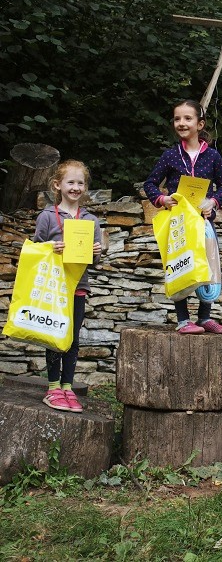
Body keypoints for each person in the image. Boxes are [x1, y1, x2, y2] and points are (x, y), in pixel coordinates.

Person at [144, 100, 222, 335]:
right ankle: (183, 320)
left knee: (207, 264)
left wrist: (213, 202)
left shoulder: (212, 156)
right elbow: (150, 183)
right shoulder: (170, 156)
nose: (181, 123)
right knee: (179, 265)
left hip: (203, 222)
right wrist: (162, 199)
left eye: (187, 118)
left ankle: (205, 317)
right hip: (179, 224)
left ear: (200, 124)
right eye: (177, 119)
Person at [35, 160, 103, 413]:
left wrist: (96, 252)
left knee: (73, 339)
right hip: (54, 287)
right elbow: (35, 250)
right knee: (55, 337)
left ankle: (67, 387)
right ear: (57, 185)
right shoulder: (46, 217)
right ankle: (53, 387)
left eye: (80, 183)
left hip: (78, 287)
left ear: (85, 187)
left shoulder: (91, 220)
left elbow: (94, 262)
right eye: (70, 182)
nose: (75, 187)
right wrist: (50, 247)